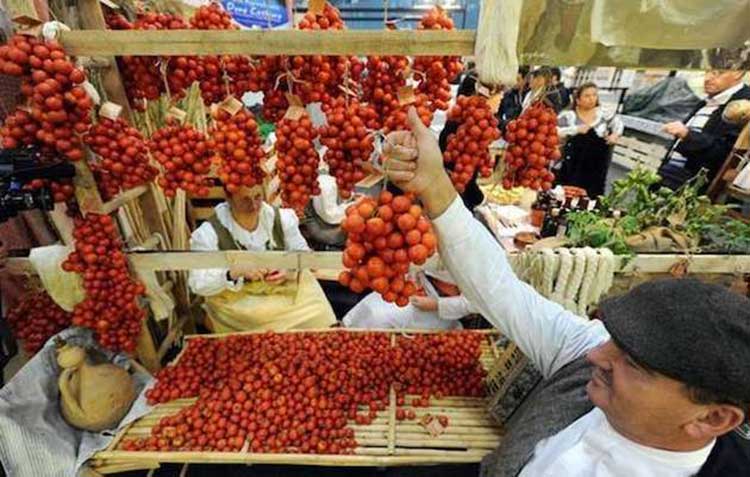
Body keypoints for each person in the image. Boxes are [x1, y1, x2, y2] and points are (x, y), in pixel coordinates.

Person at [383, 107, 750, 477]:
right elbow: (500, 289)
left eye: (634, 364)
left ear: (713, 417)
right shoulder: (590, 363)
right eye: (614, 341)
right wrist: (435, 186)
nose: (597, 355)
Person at [188, 184, 336, 332]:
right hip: (238, 299)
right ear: (229, 198)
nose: (253, 205)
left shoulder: (280, 219)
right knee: (256, 318)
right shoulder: (210, 233)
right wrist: (233, 272)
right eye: (245, 199)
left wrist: (287, 267)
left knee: (318, 308)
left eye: (257, 197)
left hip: (282, 289)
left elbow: (304, 255)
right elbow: (198, 283)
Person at [658, 70, 750, 190]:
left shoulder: (743, 107)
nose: (707, 78)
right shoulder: (708, 101)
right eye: (707, 72)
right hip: (671, 176)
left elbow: (727, 153)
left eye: (717, 73)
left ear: (738, 73)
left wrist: (688, 135)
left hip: (697, 187)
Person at [557, 82, 624, 197]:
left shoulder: (604, 114)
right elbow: (556, 131)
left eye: (594, 95)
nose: (591, 99)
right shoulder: (568, 116)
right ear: (577, 100)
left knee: (591, 195)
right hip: (572, 163)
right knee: (568, 193)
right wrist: (576, 129)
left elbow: (618, 125)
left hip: (596, 164)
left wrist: (615, 135)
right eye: (587, 96)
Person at [498, 66, 530, 132]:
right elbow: (497, 115)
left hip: (525, 132)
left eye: (518, 80)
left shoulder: (529, 96)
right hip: (509, 132)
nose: (514, 82)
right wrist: (505, 124)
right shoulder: (507, 95)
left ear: (525, 80)